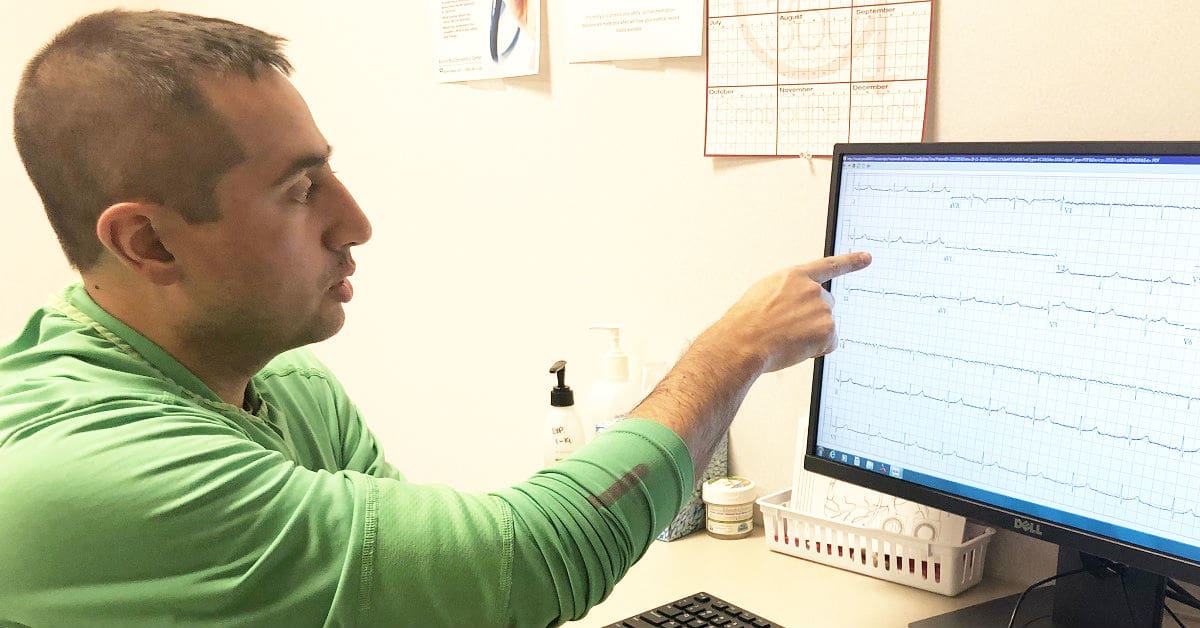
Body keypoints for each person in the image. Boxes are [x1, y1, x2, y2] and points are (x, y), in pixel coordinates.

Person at [0, 9, 871, 627]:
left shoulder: (289, 386)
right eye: (300, 191)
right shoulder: (91, 472)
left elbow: (435, 610)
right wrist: (736, 349)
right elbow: (524, 566)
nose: (357, 224)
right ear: (148, 242)